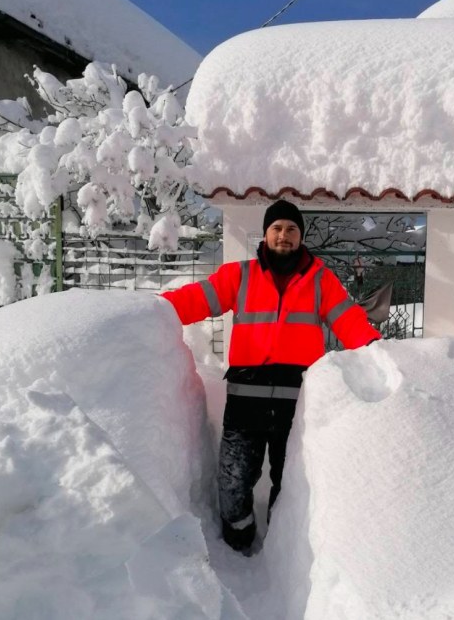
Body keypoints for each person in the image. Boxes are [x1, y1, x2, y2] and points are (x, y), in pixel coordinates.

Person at [161, 199, 381, 552]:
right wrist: (158, 310)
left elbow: (348, 320)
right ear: (265, 234)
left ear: (301, 237)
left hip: (298, 402)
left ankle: (281, 548)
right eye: (277, 228)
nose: (284, 235)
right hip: (246, 396)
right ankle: (239, 539)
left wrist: (376, 351)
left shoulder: (319, 279)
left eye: (292, 229)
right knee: (234, 481)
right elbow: (198, 299)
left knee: (290, 481)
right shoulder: (241, 275)